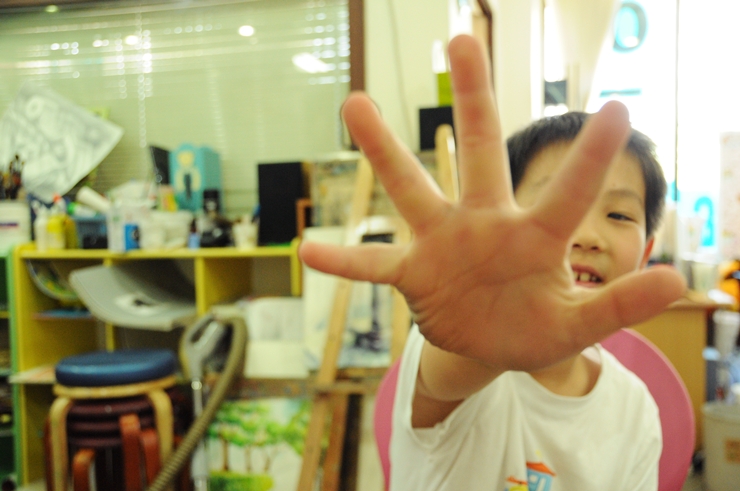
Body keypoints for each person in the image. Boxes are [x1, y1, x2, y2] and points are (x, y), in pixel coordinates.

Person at [299, 34, 686, 490]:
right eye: (550, 208)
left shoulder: (635, 411)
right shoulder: (459, 358)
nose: (587, 236)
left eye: (619, 215)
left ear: (645, 253)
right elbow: (449, 374)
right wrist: (490, 335)